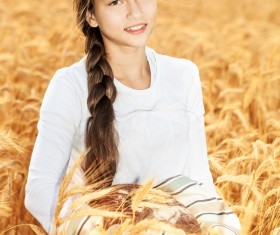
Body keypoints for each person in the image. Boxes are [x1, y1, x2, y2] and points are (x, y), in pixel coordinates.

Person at [25, 0, 241, 234]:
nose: (135, 11)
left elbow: (199, 178)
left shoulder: (184, 75)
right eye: (115, 2)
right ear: (91, 16)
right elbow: (40, 189)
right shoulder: (70, 85)